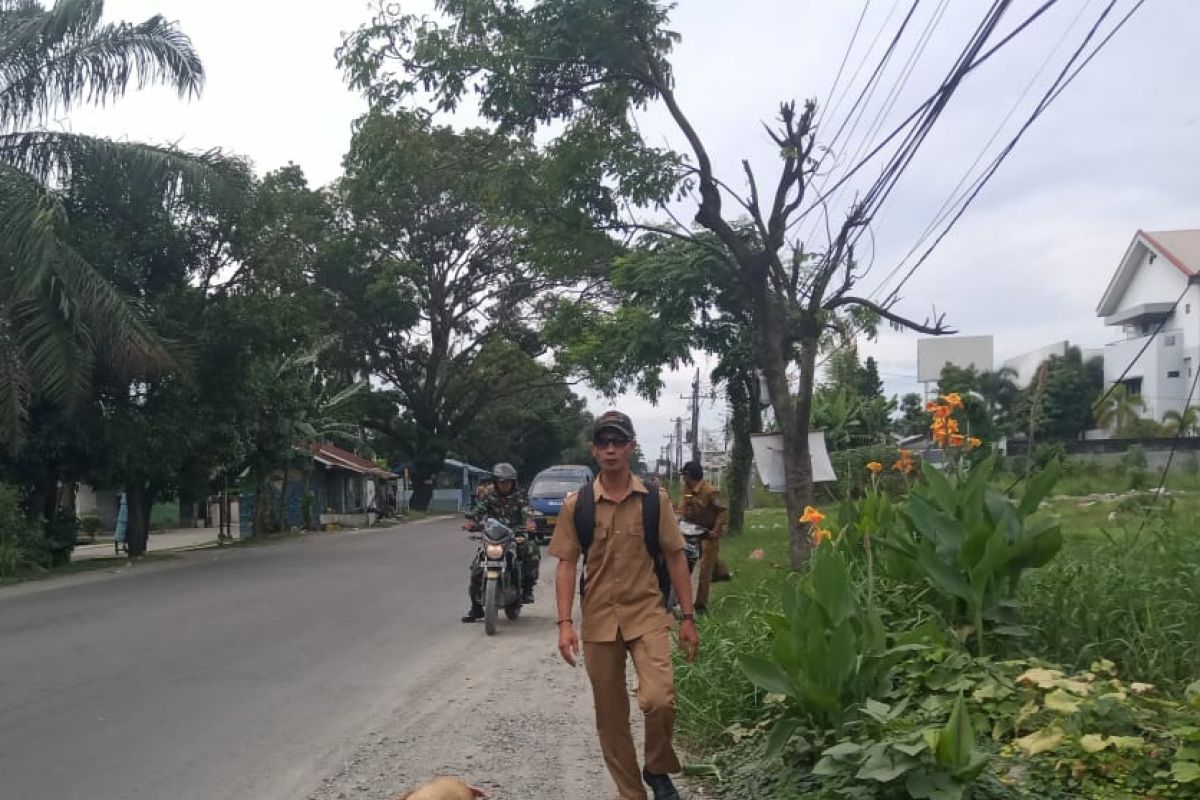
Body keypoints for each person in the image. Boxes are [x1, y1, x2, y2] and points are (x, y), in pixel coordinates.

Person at [549, 411, 699, 800]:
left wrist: (688, 617)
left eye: (618, 442)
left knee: (659, 699)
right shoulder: (576, 505)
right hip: (599, 620)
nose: (611, 449)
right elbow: (566, 564)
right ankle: (631, 793)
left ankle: (656, 766)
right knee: (611, 717)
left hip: (647, 612)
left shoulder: (655, 501)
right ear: (594, 449)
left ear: (632, 446)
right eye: (603, 442)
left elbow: (676, 557)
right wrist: (565, 623)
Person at [461, 463, 539, 622]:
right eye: (502, 482)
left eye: (508, 482)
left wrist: (529, 523)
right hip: (493, 535)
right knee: (477, 567)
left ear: (513, 482)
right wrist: (471, 521)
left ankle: (527, 588)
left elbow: (526, 511)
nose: (505, 485)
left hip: (515, 534)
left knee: (532, 551)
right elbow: (479, 510)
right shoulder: (490, 496)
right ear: (496, 482)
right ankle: (475, 608)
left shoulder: (520, 495)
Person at [676, 462, 729, 615]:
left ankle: (699, 605)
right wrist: (678, 517)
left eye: (684, 475)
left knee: (704, 569)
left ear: (689, 475)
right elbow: (682, 506)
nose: (683, 479)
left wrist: (716, 530)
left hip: (708, 533)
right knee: (686, 563)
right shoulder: (687, 489)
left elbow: (722, 511)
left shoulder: (710, 492)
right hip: (692, 531)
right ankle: (721, 572)